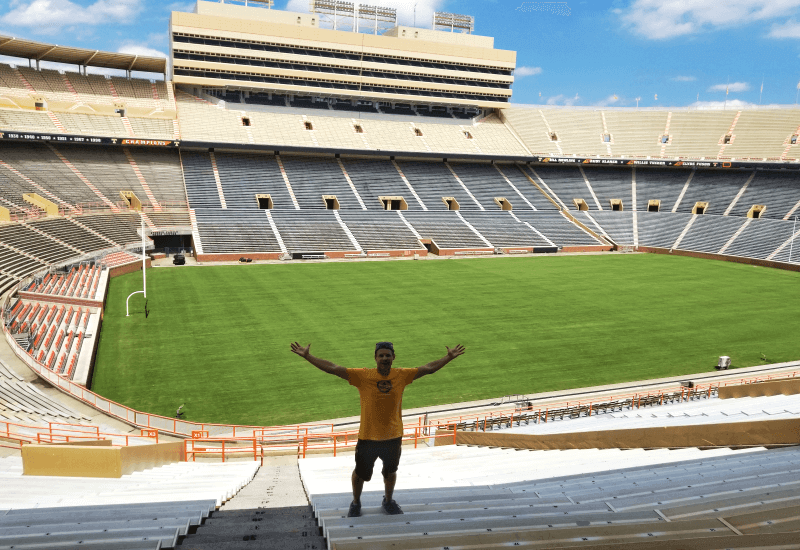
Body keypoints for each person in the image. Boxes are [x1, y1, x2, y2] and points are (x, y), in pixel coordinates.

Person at [290, 340, 465, 517]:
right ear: (375, 358)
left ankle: (388, 501)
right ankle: (356, 502)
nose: (384, 358)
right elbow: (334, 368)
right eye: (381, 355)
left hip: (393, 436)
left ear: (393, 357)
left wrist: (448, 357)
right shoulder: (363, 376)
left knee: (390, 472)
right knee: (360, 474)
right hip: (368, 437)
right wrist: (308, 356)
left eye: (387, 355)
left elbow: (428, 368)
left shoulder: (402, 375)